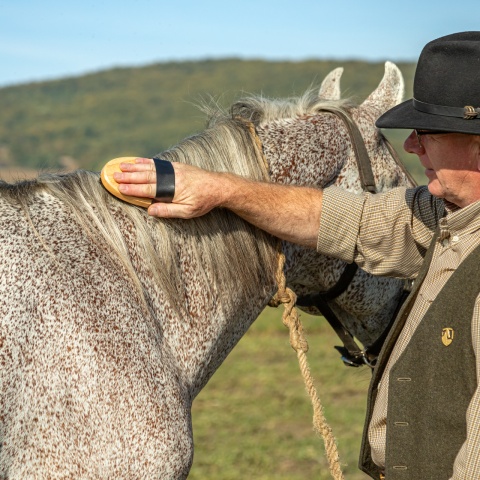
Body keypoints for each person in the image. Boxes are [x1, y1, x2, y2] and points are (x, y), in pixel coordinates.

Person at [113, 31, 480, 480]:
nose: (411, 146)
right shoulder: (447, 215)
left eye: (427, 133)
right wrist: (221, 188)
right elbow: (344, 218)